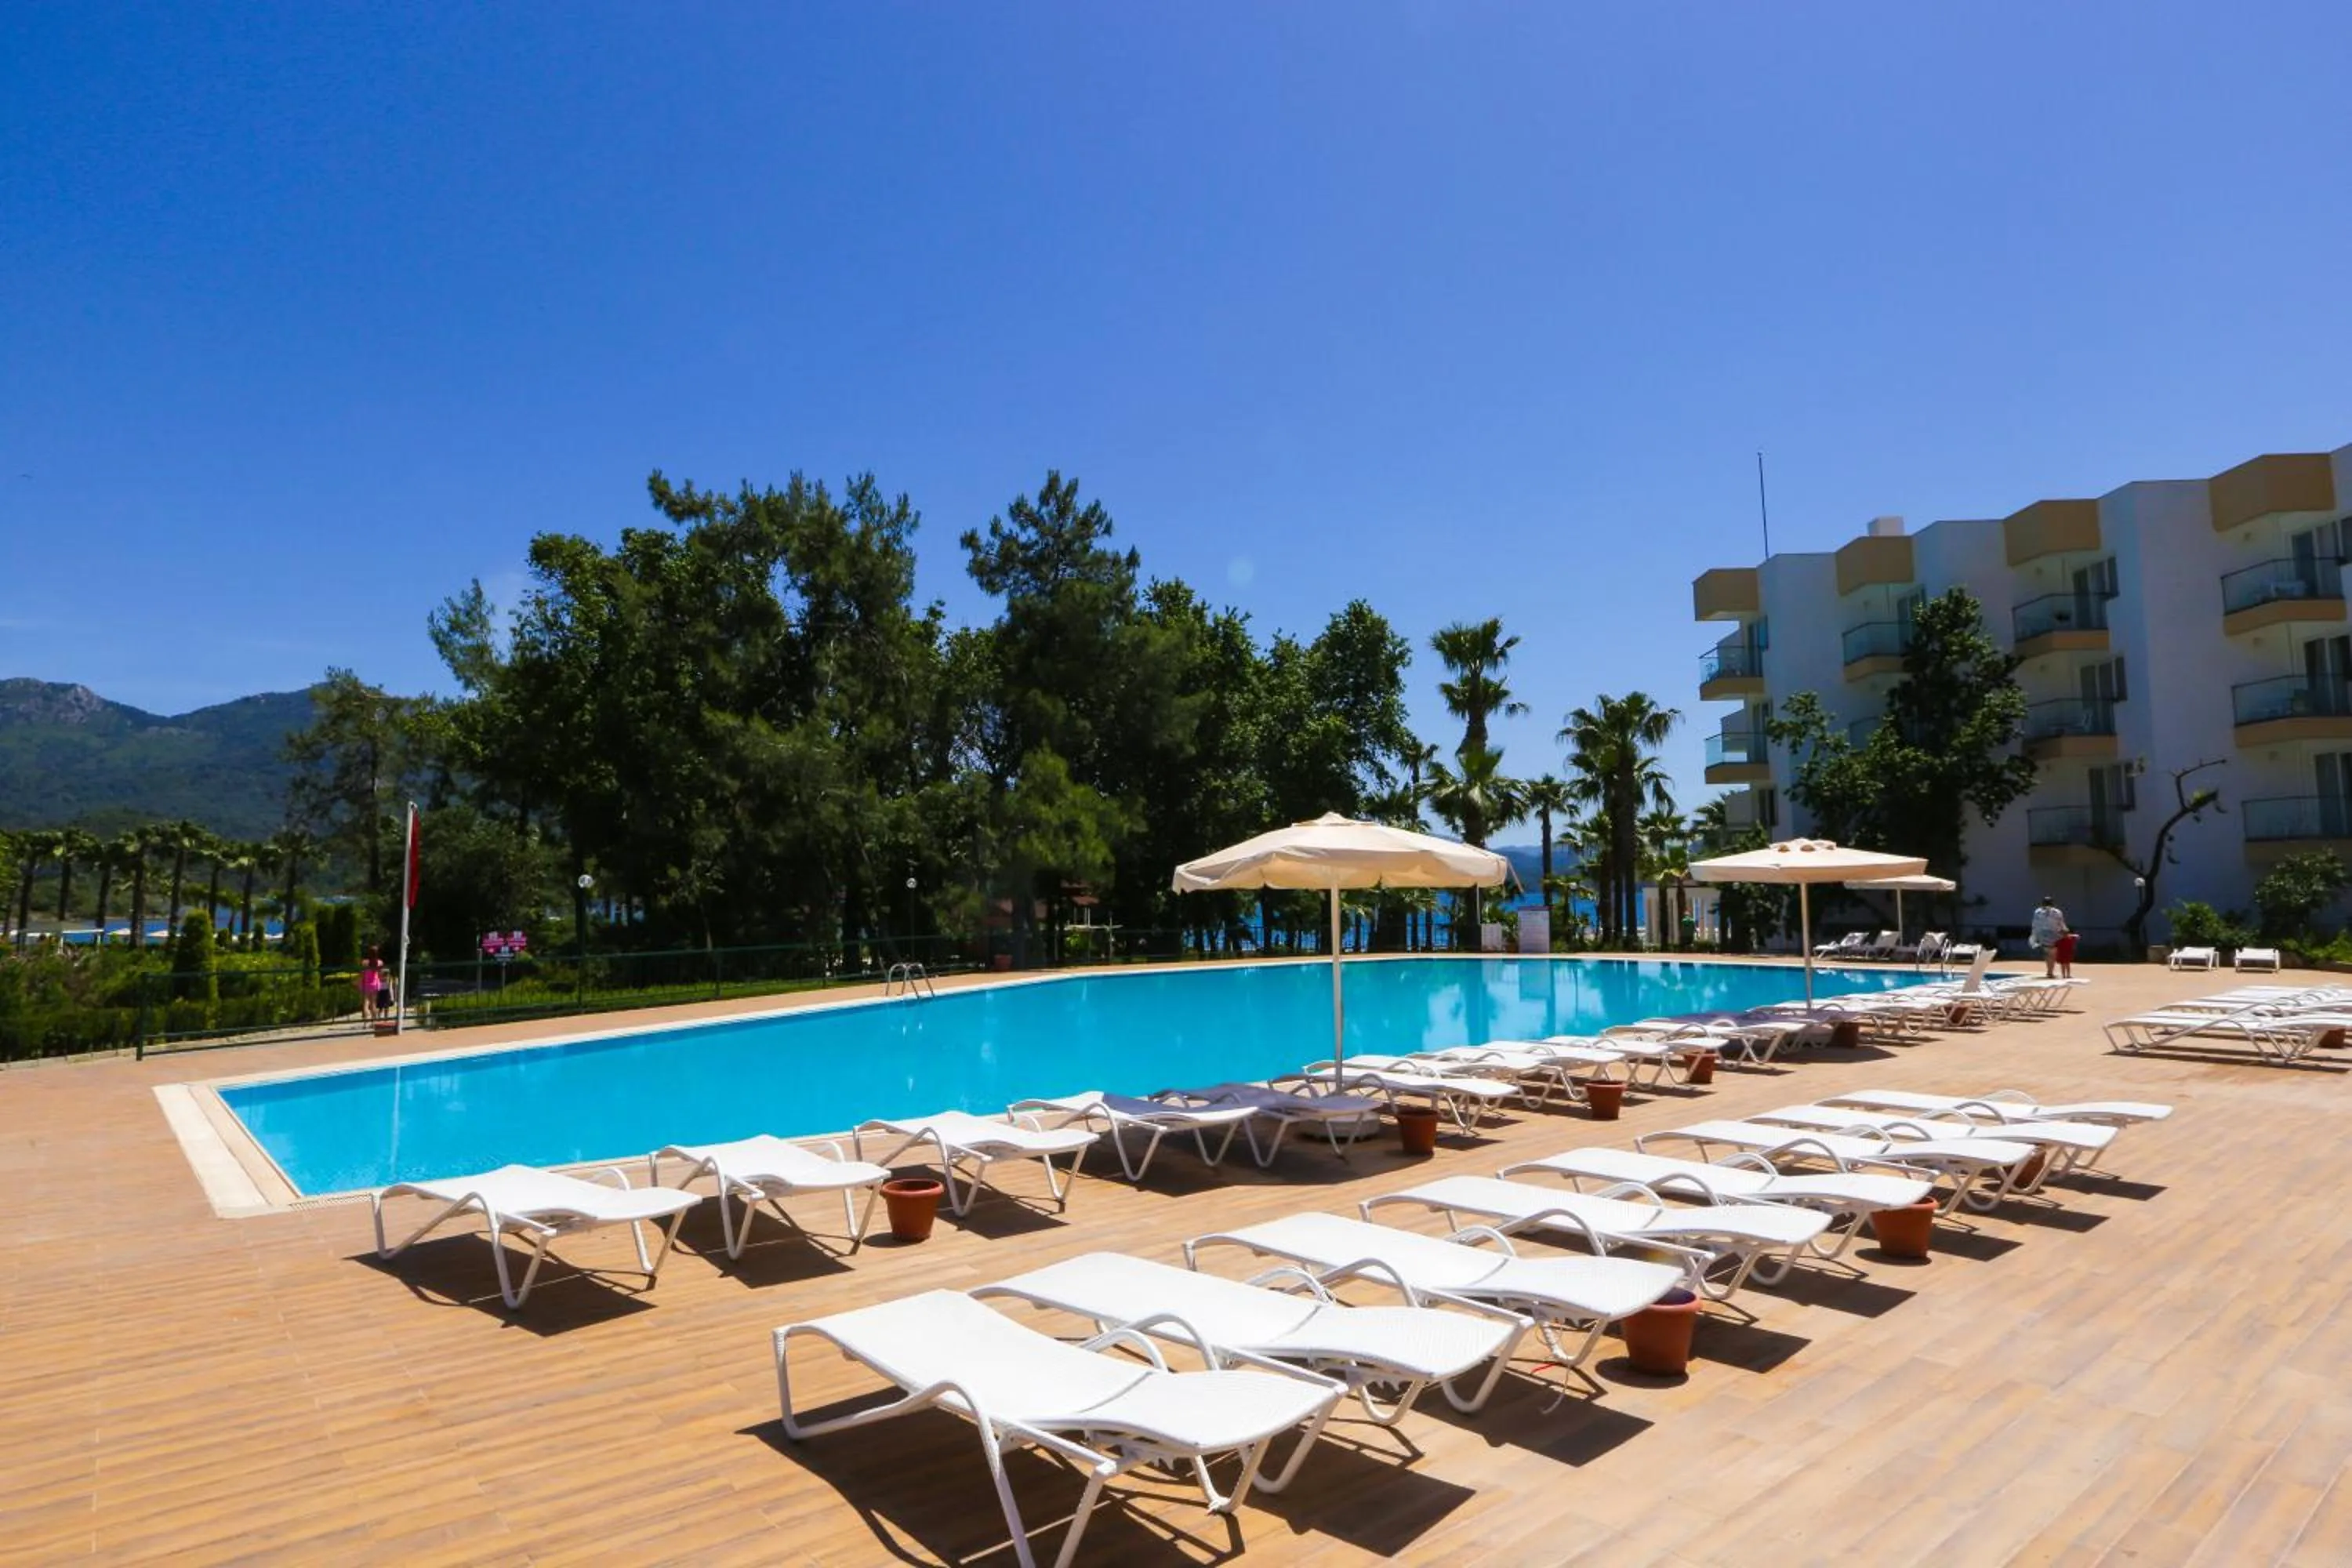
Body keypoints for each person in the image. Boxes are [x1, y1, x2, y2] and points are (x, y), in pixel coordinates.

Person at [2029, 896, 2069, 980]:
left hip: (2052, 935)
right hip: (2047, 935)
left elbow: (2061, 923)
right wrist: (2034, 936)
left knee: (2050, 954)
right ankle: (2050, 971)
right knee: (2050, 954)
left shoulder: (2055, 912)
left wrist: (2064, 930)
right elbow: (2035, 924)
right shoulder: (2039, 912)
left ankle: (2050, 971)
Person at [358, 946, 386, 1020]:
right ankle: (374, 1020)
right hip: (375, 984)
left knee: (365, 1003)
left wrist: (358, 982)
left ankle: (365, 1021)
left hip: (366, 984)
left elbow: (362, 974)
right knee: (373, 1003)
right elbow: (381, 974)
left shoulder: (364, 962)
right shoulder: (380, 962)